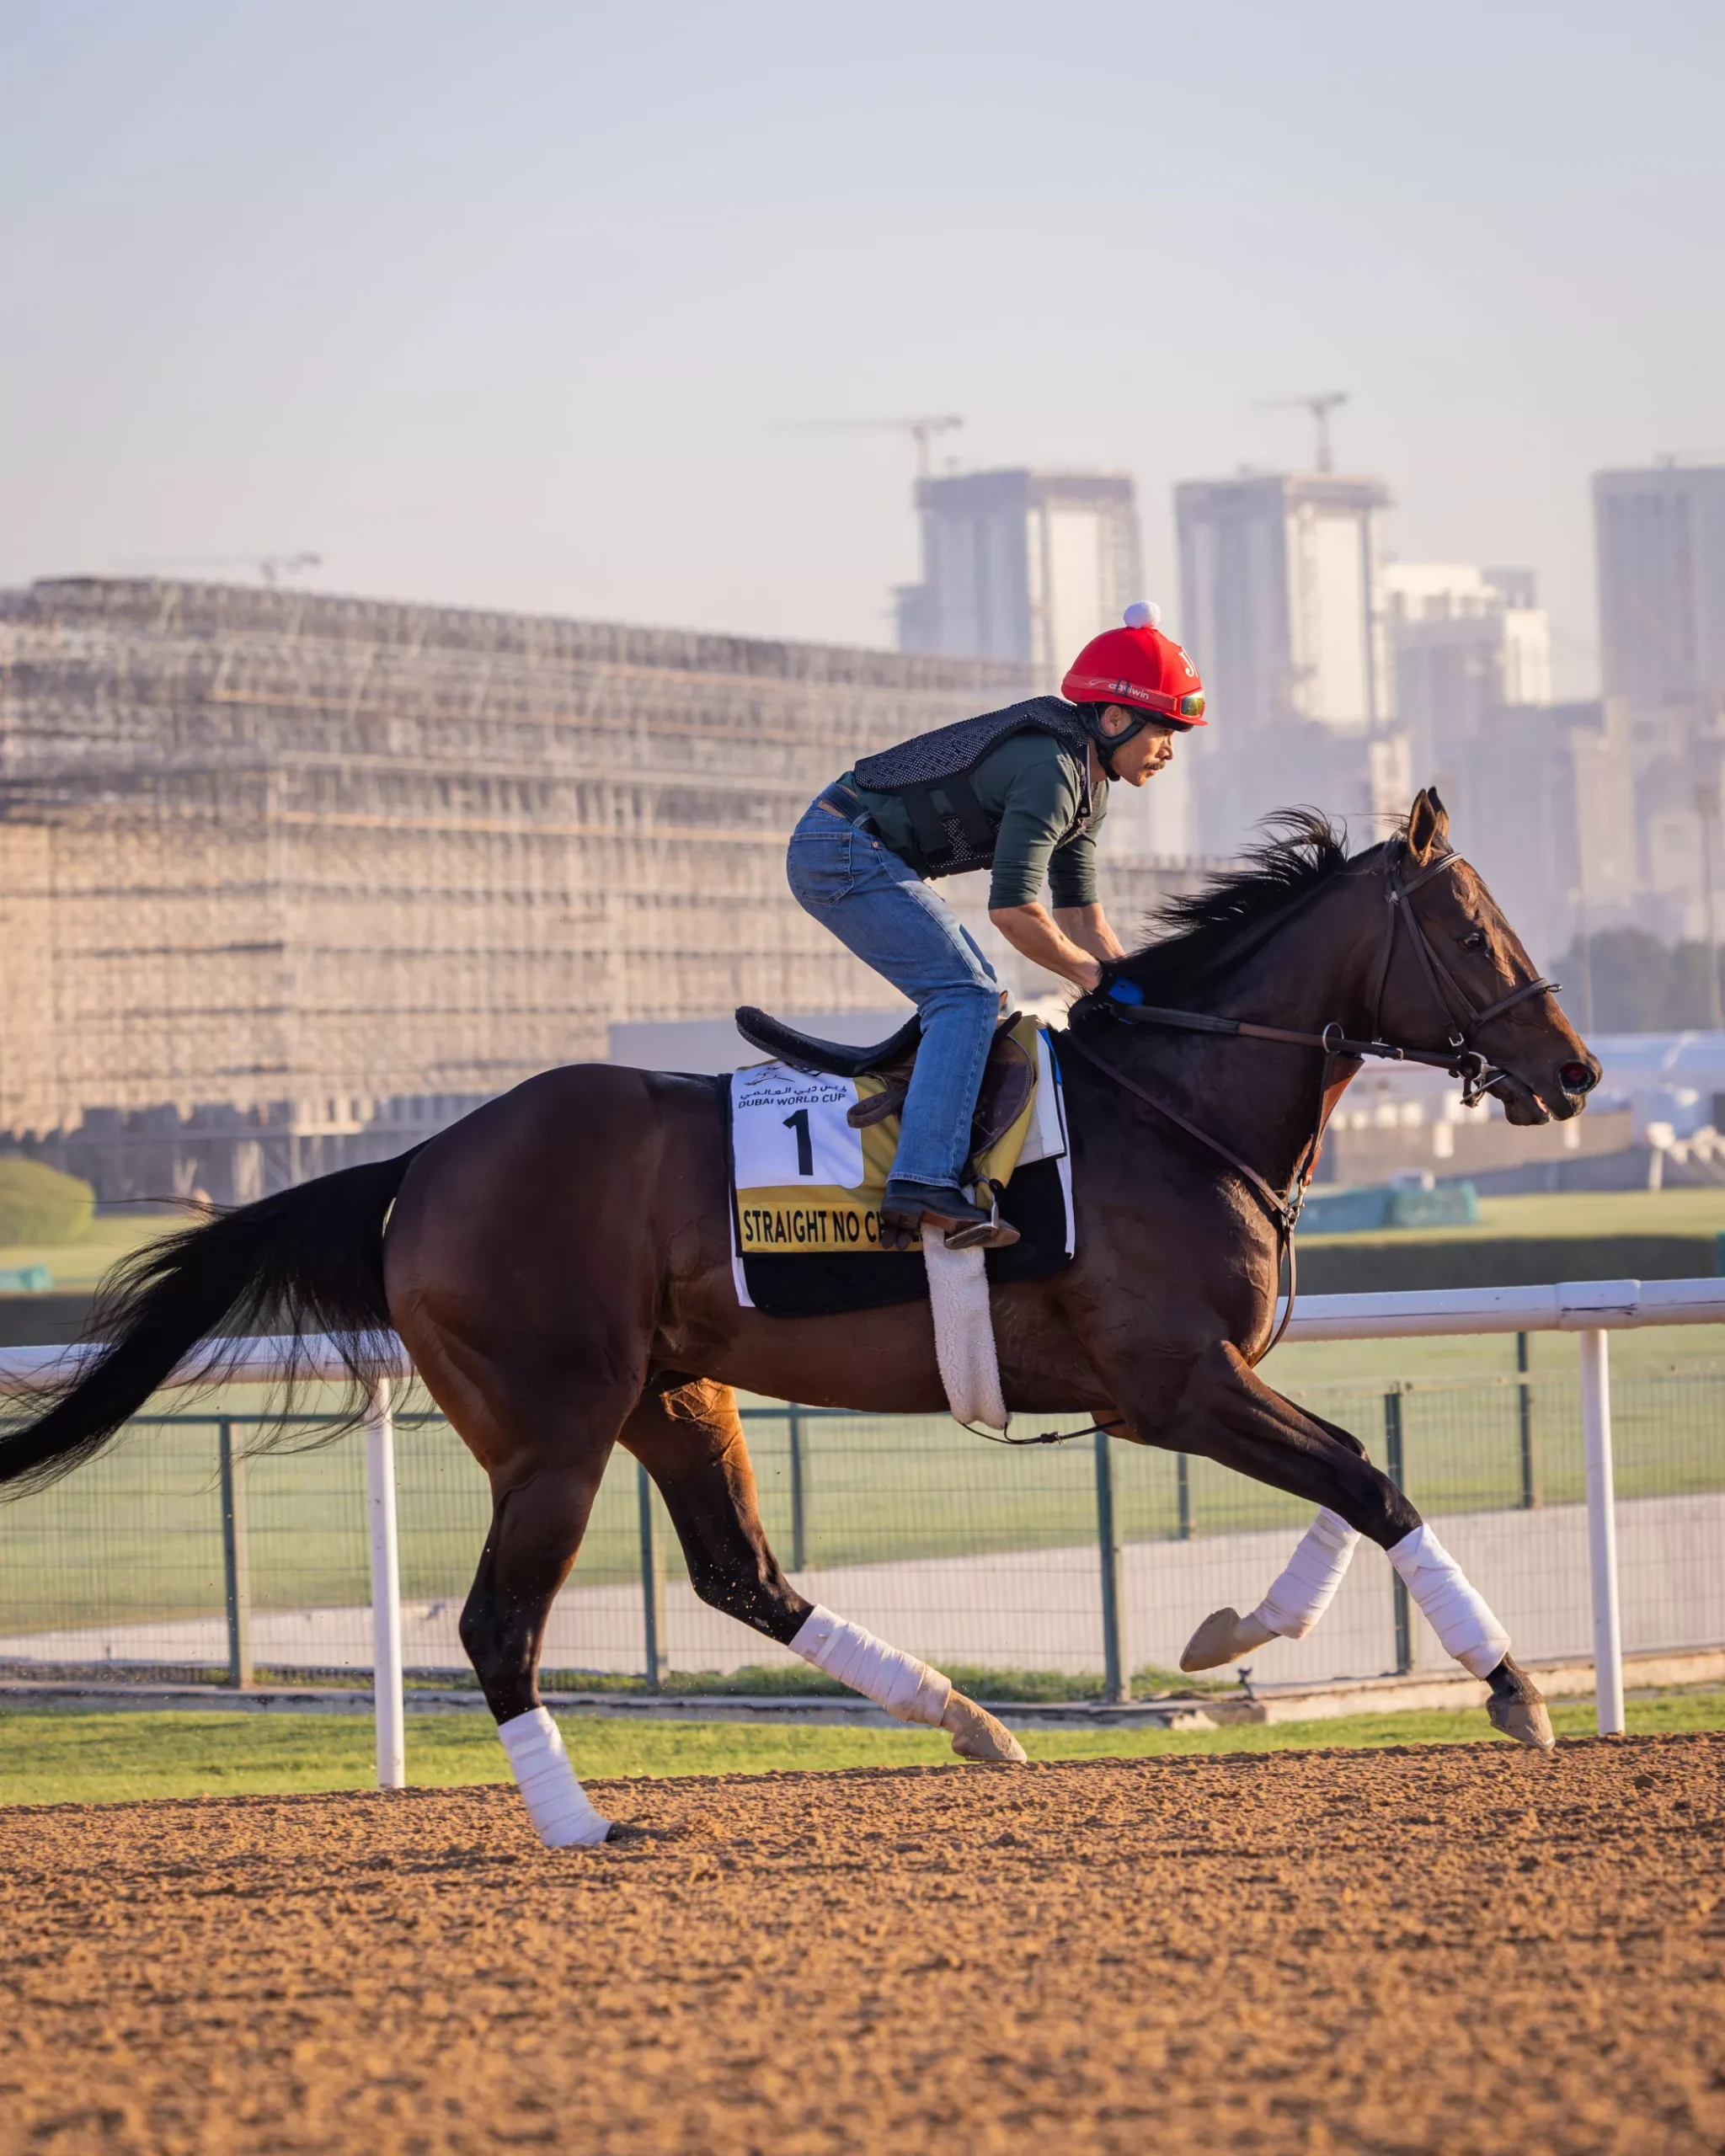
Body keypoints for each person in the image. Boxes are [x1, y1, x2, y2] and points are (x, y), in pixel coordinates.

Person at [786, 603, 1206, 1251]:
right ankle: (923, 1179)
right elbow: (1013, 912)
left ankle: (925, 1124)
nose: (1171, 753)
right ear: (1116, 718)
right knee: (969, 995)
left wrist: (1140, 991)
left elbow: (1081, 916)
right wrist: (1095, 979)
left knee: (976, 994)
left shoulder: (1089, 786)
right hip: (838, 847)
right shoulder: (1052, 772)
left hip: (861, 848)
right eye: (1166, 732)